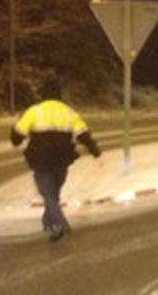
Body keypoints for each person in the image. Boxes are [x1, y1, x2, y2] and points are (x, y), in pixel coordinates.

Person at [10, 79, 102, 241]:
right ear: (59, 95)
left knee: (47, 194)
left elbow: (18, 133)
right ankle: (49, 219)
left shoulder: (34, 111)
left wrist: (15, 139)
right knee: (53, 193)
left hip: (41, 160)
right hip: (62, 160)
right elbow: (83, 135)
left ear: (43, 94)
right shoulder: (69, 112)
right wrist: (96, 153)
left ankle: (57, 224)